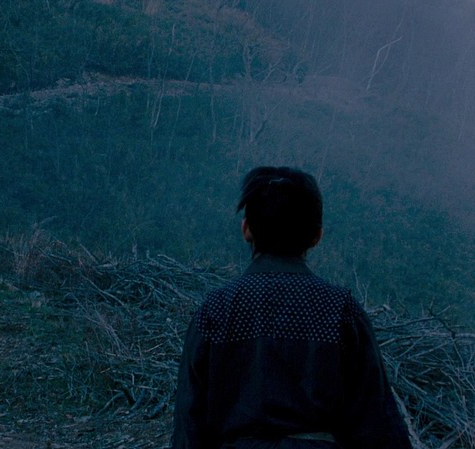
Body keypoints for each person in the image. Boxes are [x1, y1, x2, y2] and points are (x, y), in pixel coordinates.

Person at [171, 167, 413, 449]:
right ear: (316, 236)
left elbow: (189, 423)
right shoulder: (340, 310)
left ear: (246, 229)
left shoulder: (216, 310)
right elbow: (377, 423)